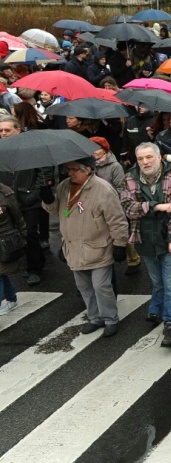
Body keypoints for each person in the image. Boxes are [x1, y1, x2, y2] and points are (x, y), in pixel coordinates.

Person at [42, 158, 129, 337]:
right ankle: (95, 318)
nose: (70, 173)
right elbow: (54, 210)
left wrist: (120, 244)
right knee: (84, 287)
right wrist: (48, 199)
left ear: (87, 169)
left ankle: (111, 319)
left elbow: (117, 219)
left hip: (98, 247)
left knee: (101, 286)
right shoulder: (64, 186)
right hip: (73, 247)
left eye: (74, 169)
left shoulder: (103, 189)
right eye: (68, 169)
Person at [119, 143, 171, 348]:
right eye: (140, 159)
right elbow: (128, 208)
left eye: (149, 157)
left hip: (166, 238)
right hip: (143, 239)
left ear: (159, 157)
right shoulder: (129, 178)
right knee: (158, 283)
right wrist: (157, 206)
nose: (145, 162)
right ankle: (168, 313)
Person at [0, 114, 47, 285]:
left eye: (7, 130)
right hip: (7, 200)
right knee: (13, 233)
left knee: (30, 233)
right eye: (0, 130)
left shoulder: (30, 149)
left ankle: (35, 268)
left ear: (17, 130)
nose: (3, 133)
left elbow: (42, 174)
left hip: (29, 200)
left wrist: (34, 194)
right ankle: (28, 261)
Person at [0, 181, 26, 315]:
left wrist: (24, 235)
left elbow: (18, 216)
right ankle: (11, 299)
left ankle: (11, 299)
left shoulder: (6, 193)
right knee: (1, 273)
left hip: (4, 241)